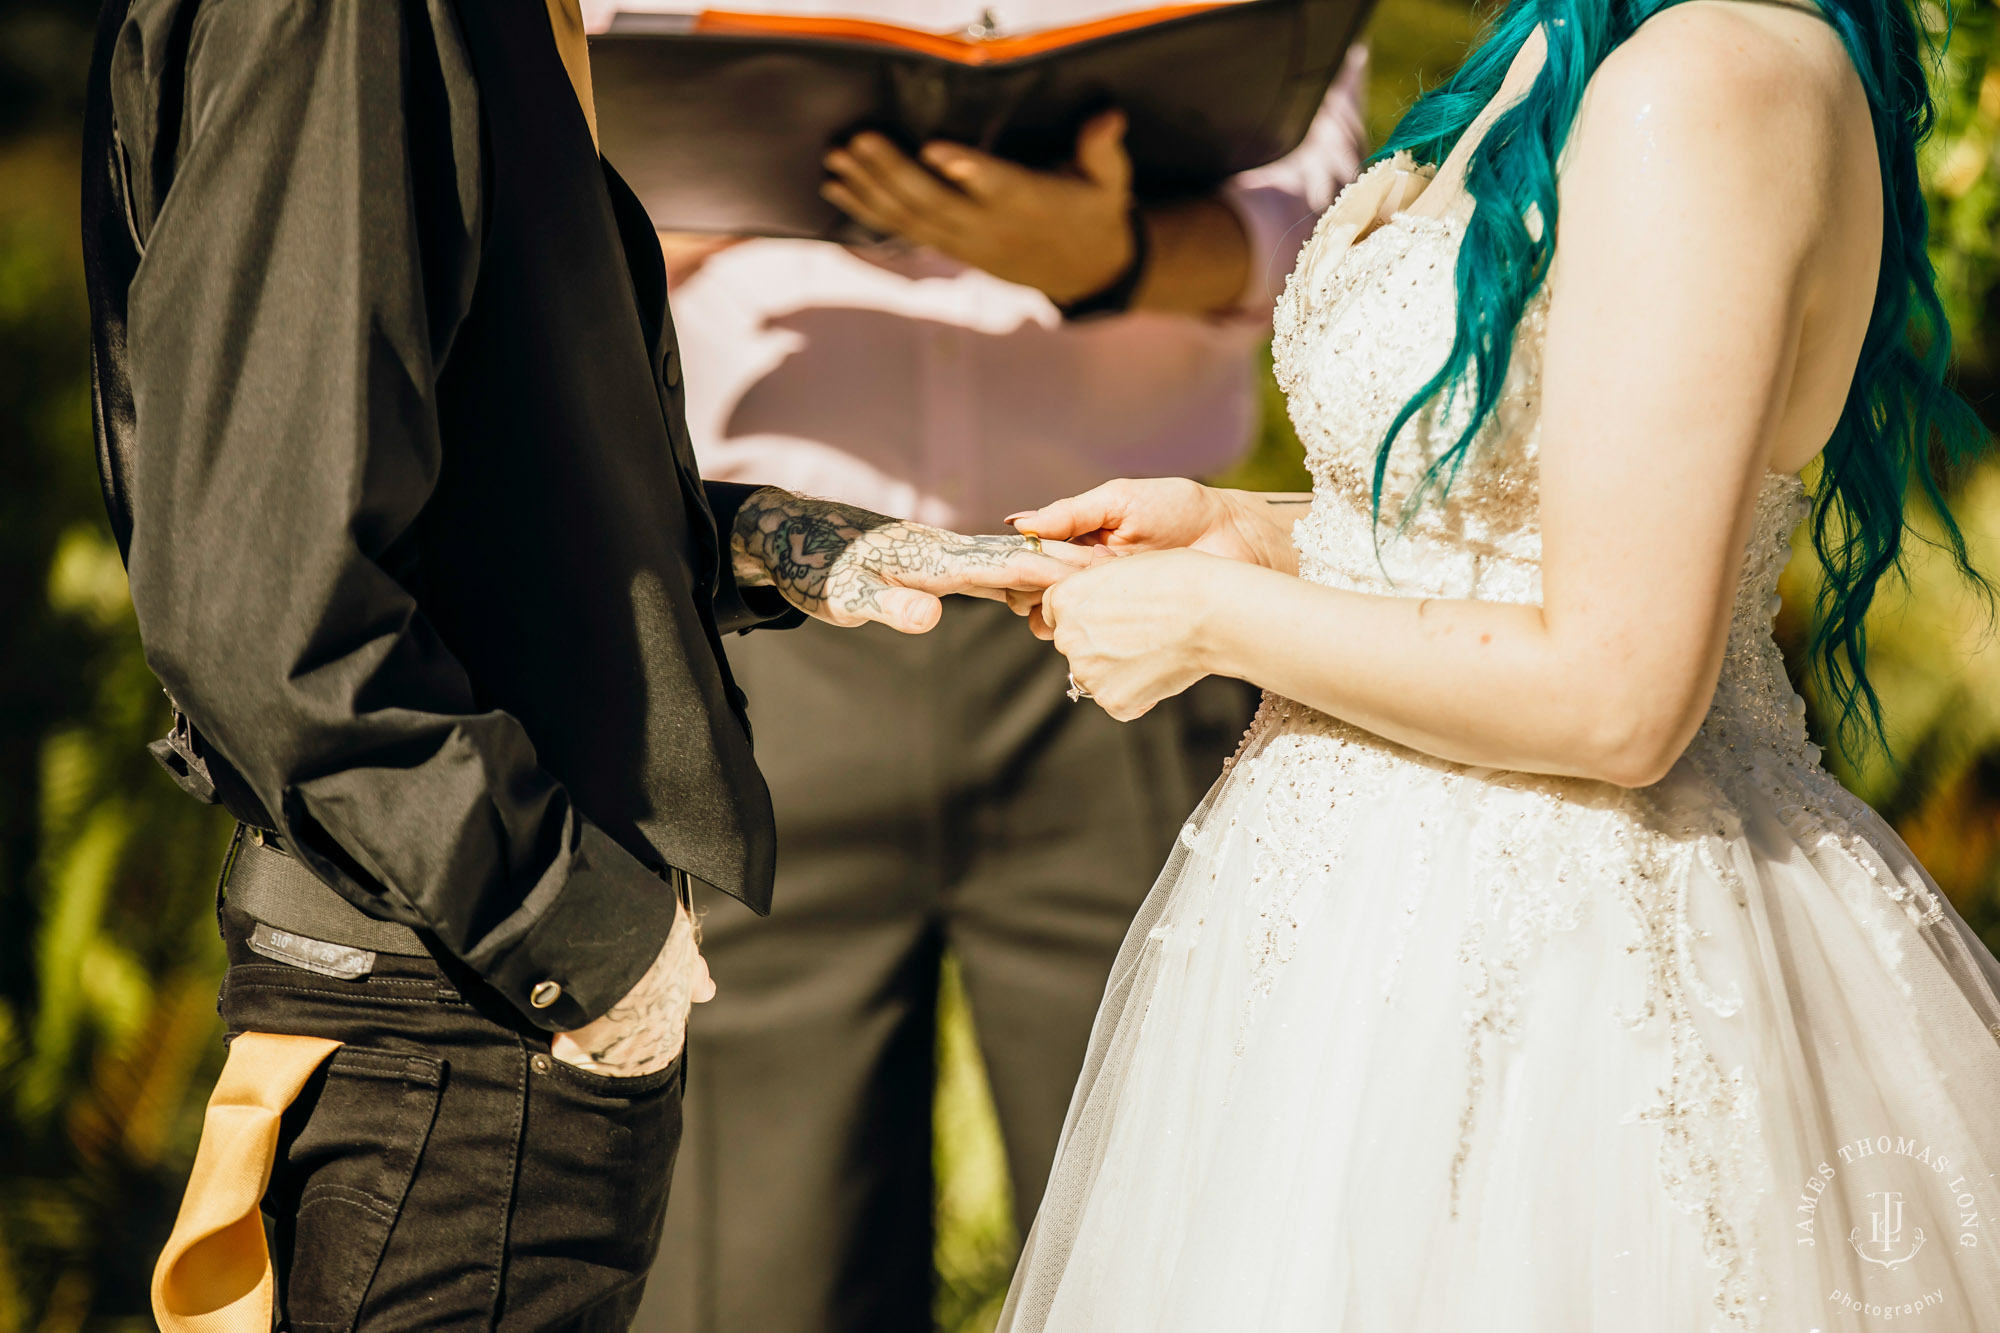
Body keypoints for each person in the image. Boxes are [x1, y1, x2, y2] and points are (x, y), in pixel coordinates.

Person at [82, 1, 1087, 1328]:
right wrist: (585, 937)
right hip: (459, 1029)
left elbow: (427, 490)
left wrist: (779, 544)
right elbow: (257, 601)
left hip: (466, 1025)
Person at [1000, 0, 2000, 1328]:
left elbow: (1618, 691)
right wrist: (1253, 534)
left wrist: (1209, 621)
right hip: (1349, 950)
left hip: (1567, 970)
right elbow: (1542, 525)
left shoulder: (1711, 75)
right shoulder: (1564, 45)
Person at [575, 2, 1366, 1327]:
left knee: (1178, 1242)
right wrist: (767, 192)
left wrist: (1109, 251)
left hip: (1131, 627)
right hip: (763, 642)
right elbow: (516, 189)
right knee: (754, 1273)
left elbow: (1322, 229)